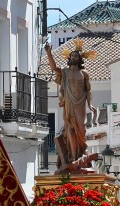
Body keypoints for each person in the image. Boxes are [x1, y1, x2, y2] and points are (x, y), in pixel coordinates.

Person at [44, 39, 98, 172]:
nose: (74, 57)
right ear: (69, 58)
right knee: (70, 130)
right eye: (72, 55)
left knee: (81, 130)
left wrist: (90, 104)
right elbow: (53, 68)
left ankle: (80, 153)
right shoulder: (65, 72)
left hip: (80, 104)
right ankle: (74, 156)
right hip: (69, 103)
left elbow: (88, 91)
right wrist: (49, 53)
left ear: (80, 59)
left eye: (76, 56)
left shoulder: (84, 74)